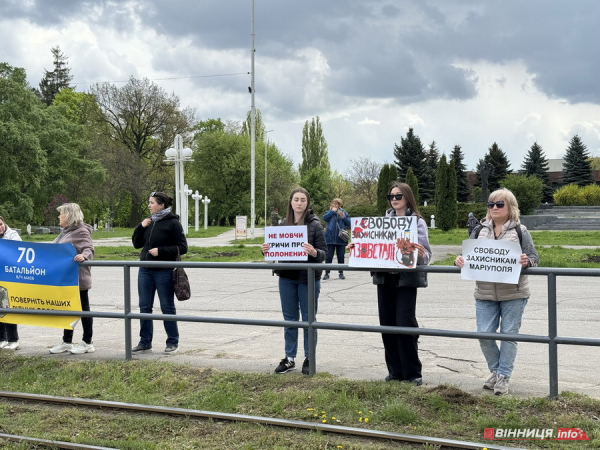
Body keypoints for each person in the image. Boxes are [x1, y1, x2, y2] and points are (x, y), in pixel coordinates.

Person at [454, 188, 538, 395]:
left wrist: (527, 262)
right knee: (484, 335)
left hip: (514, 294)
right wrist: (459, 260)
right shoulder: (479, 230)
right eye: (491, 204)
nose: (494, 208)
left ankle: (503, 376)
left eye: (499, 204)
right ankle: (496, 370)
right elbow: (468, 256)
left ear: (511, 207)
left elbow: (534, 258)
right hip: (484, 293)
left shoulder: (521, 230)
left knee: (509, 335)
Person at [352, 182, 431, 385]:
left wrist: (421, 255)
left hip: (406, 280)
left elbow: (426, 255)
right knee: (387, 324)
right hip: (384, 278)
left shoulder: (417, 222)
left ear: (407, 197)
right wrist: (357, 247)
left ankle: (413, 372)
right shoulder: (381, 223)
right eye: (391, 197)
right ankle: (395, 371)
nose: (394, 200)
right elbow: (369, 248)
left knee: (405, 323)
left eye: (398, 196)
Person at [261, 187, 327, 375]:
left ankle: (309, 357)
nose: (299, 203)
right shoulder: (283, 224)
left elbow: (324, 254)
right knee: (290, 320)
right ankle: (289, 358)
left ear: (307, 203)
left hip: (308, 279)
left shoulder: (315, 225)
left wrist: (314, 252)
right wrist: (265, 250)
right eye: (296, 199)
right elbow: (274, 251)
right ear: (290, 202)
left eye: (303, 200)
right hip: (287, 278)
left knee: (308, 320)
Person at [132, 192, 187, 354]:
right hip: (145, 270)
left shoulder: (173, 223)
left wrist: (161, 251)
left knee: (167, 307)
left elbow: (183, 247)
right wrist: (140, 227)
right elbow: (136, 244)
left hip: (164, 270)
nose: (149, 205)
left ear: (161, 205)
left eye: (152, 203)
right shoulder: (148, 222)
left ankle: (172, 342)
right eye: (148, 202)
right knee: (144, 307)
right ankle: (145, 342)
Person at [49, 203, 96, 355]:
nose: (58, 216)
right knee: (68, 309)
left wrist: (84, 256)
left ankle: (88, 342)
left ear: (69, 216)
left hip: (78, 279)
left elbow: (89, 248)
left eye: (60, 214)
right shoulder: (65, 231)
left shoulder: (81, 231)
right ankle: (67, 341)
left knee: (84, 310)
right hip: (67, 278)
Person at [0, 216, 22, 351]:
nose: (0, 227)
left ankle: (13, 339)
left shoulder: (12, 235)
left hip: (9, 277)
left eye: (1, 224)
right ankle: (1, 338)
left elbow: (17, 251)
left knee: (8, 308)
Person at [322, 198, 351, 280]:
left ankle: (341, 272)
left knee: (341, 256)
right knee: (329, 256)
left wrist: (344, 217)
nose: (335, 205)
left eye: (337, 204)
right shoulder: (329, 212)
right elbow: (324, 218)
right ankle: (327, 273)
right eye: (334, 204)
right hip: (330, 238)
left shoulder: (344, 213)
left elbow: (349, 223)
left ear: (340, 205)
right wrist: (332, 211)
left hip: (341, 238)